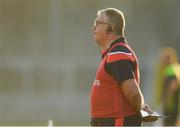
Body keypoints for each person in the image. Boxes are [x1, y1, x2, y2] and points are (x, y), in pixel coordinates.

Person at [90, 8, 156, 126]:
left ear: (110, 29)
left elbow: (133, 92)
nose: (93, 27)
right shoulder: (113, 52)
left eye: (98, 23)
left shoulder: (118, 54)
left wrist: (141, 109)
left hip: (118, 122)